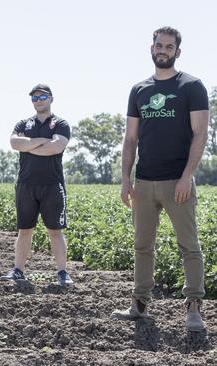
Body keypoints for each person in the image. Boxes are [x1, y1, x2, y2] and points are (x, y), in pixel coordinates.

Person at [111, 27, 209, 331]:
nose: (163, 50)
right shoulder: (139, 90)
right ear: (151, 49)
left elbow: (200, 133)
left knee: (188, 246)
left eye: (169, 46)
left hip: (176, 182)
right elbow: (130, 139)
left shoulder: (191, 86)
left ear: (177, 52)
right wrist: (126, 179)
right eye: (159, 45)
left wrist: (186, 177)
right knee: (142, 245)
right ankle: (138, 304)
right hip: (145, 181)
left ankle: (193, 307)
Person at [1, 84, 73, 286]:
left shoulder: (61, 123)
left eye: (42, 97)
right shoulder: (23, 124)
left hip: (52, 185)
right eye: (34, 98)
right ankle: (18, 271)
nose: (38, 101)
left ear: (51, 99)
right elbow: (15, 143)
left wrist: (29, 145)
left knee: (55, 230)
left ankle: (62, 273)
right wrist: (42, 141)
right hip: (26, 185)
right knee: (25, 229)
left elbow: (56, 147)